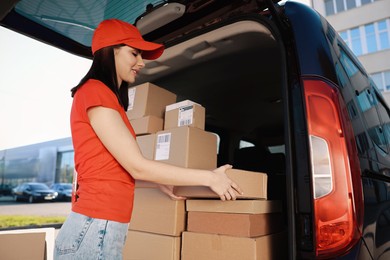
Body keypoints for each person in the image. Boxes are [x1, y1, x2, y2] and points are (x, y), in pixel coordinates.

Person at [53, 19, 242, 259]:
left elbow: (113, 170)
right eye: (134, 53)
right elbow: (136, 166)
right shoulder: (94, 91)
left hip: (99, 227)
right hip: (94, 226)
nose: (141, 62)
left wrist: (158, 182)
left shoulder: (105, 97)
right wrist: (209, 177)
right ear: (111, 50)